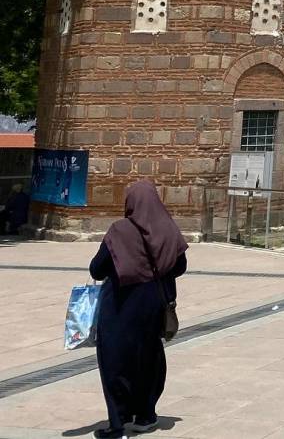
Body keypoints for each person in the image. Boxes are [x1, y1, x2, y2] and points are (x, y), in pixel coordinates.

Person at [88, 181, 188, 438]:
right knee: (149, 359)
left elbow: (97, 269)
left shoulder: (120, 230)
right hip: (154, 305)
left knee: (115, 361)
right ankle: (146, 414)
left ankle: (118, 423)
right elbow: (180, 266)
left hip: (121, 307)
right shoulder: (167, 227)